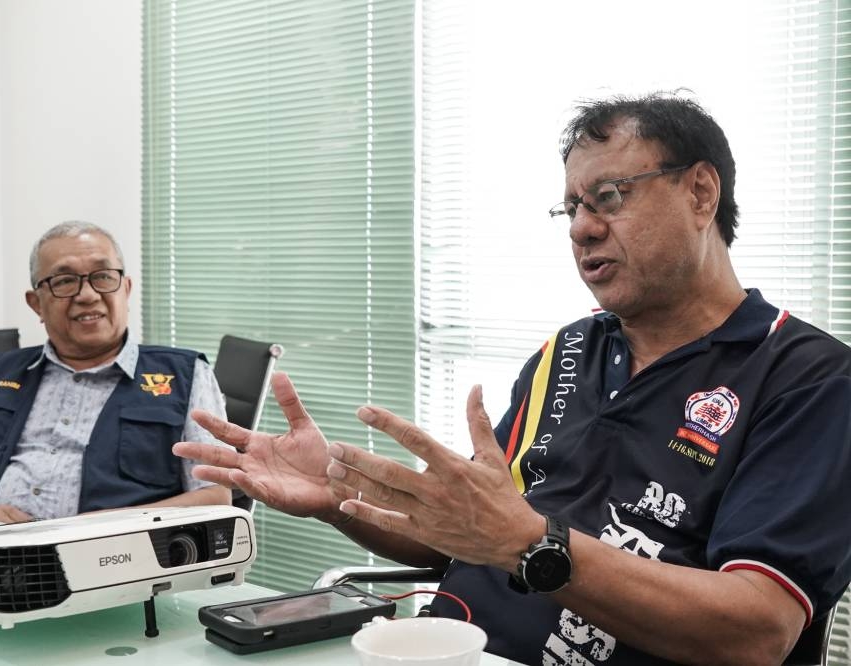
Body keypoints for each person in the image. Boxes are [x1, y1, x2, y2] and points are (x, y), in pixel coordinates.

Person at [173, 93, 851, 665]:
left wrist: (530, 544)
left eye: (608, 197)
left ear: (700, 191)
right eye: (572, 208)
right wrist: (334, 490)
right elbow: (469, 530)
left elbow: (759, 629)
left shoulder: (805, 378)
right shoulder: (569, 352)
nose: (582, 229)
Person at [0, 221, 230, 523]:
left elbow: (214, 497)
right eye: (65, 281)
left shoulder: (186, 376)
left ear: (126, 290)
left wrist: (109, 524)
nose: (88, 294)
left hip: (118, 564)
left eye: (103, 276)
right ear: (36, 303)